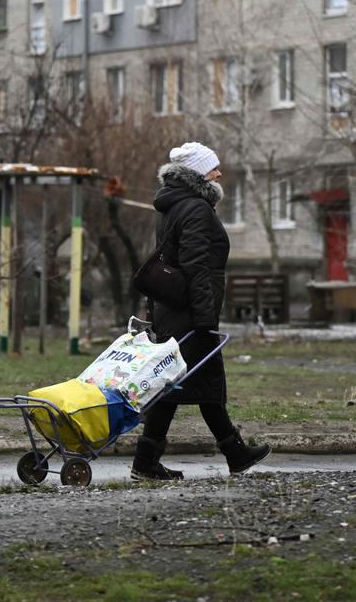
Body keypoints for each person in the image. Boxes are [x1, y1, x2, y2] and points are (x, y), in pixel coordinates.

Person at [131, 142, 272, 481]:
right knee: (176, 386)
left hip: (176, 309)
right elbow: (196, 267)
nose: (219, 173)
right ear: (197, 173)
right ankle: (149, 462)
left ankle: (232, 454)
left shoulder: (172, 205)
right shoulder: (195, 208)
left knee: (193, 384)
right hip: (190, 313)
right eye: (213, 169)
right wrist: (206, 318)